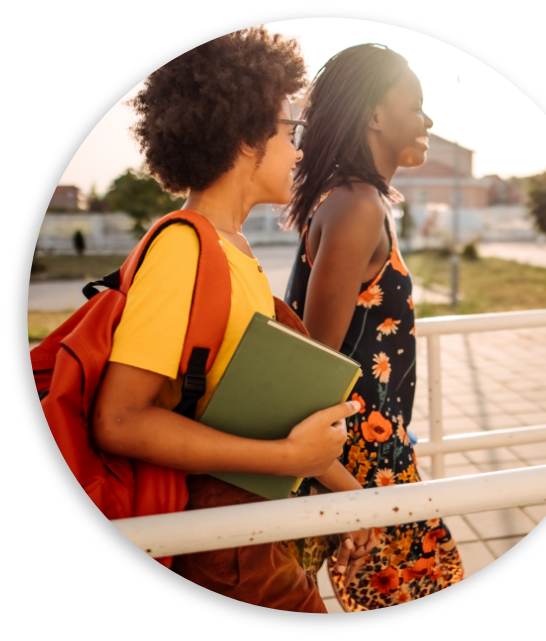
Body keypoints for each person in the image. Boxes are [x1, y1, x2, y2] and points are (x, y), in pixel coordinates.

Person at [91, 28, 363, 613]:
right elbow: (118, 420)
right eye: (291, 131)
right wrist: (290, 461)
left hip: (255, 532)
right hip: (226, 548)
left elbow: (257, 407)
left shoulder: (231, 247)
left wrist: (355, 503)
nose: (299, 151)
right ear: (245, 138)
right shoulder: (184, 249)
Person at [284, 43, 464, 610]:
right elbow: (316, 366)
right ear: (374, 116)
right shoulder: (357, 206)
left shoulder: (357, 201)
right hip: (361, 463)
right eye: (415, 104)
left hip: (371, 454)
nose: (428, 120)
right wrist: (348, 493)